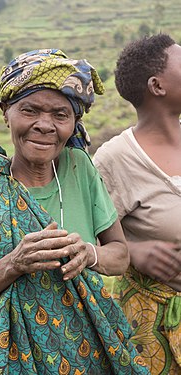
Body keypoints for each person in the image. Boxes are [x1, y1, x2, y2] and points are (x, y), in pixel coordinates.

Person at [0, 49, 150, 375]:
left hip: (84, 356)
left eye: (60, 115)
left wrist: (89, 254)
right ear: (5, 112)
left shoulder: (80, 170)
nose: (44, 125)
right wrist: (12, 264)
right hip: (2, 362)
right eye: (30, 110)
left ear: (74, 122)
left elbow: (119, 256)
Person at [93, 34, 181, 374]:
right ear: (157, 86)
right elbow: (87, 235)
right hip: (151, 332)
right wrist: (134, 251)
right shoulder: (115, 159)